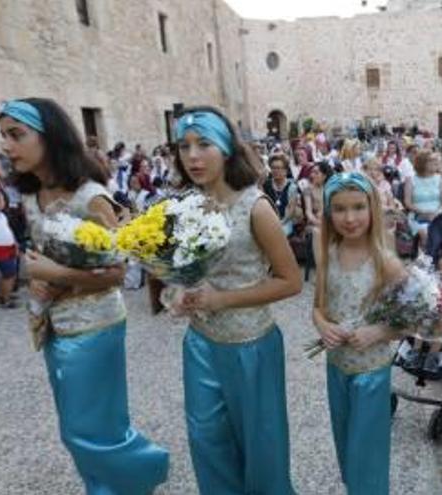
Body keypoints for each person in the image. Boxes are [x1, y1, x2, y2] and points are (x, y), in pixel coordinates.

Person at [0, 98, 169, 493]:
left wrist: (52, 273)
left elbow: (119, 272)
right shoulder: (30, 195)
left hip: (96, 326)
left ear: (50, 136)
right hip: (54, 325)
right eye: (4, 136)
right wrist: (38, 279)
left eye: (16, 135)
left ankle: (144, 468)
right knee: (74, 426)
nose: (7, 146)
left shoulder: (89, 197)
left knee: (89, 428)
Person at [170, 106, 302, 495]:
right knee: (206, 441)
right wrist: (179, 290)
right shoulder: (188, 204)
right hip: (199, 344)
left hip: (251, 347)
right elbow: (189, 268)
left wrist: (223, 299)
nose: (192, 156)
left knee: (263, 446)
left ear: (226, 148)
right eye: (184, 146)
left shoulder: (255, 207)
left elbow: (291, 281)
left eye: (203, 144)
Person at [312, 172, 406, 495]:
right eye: (339, 209)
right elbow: (317, 308)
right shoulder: (328, 255)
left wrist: (377, 332)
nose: (349, 218)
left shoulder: (386, 263)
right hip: (336, 367)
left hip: (371, 373)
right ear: (328, 213)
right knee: (346, 444)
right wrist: (324, 327)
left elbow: (414, 321)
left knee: (368, 451)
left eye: (357, 207)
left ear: (372, 208)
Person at [404, 150, 442, 247]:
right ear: (422, 163)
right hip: (418, 216)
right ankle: (427, 258)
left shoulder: (439, 179)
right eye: (431, 160)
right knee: (425, 232)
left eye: (435, 160)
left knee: (439, 229)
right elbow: (408, 202)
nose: (435, 163)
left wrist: (438, 212)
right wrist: (423, 212)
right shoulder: (411, 180)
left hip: (437, 215)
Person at [262, 153, 300, 236]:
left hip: (284, 221)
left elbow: (291, 210)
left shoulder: (292, 187)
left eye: (278, 168)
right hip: (269, 220)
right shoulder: (266, 185)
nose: (275, 171)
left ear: (285, 170)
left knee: (280, 233)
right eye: (273, 168)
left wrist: (279, 223)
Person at [303, 161, 332, 234]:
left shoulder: (330, 189)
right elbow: (308, 212)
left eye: (316, 173)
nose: (312, 175)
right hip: (314, 223)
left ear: (324, 176)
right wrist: (318, 223)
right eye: (312, 172)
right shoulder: (308, 190)